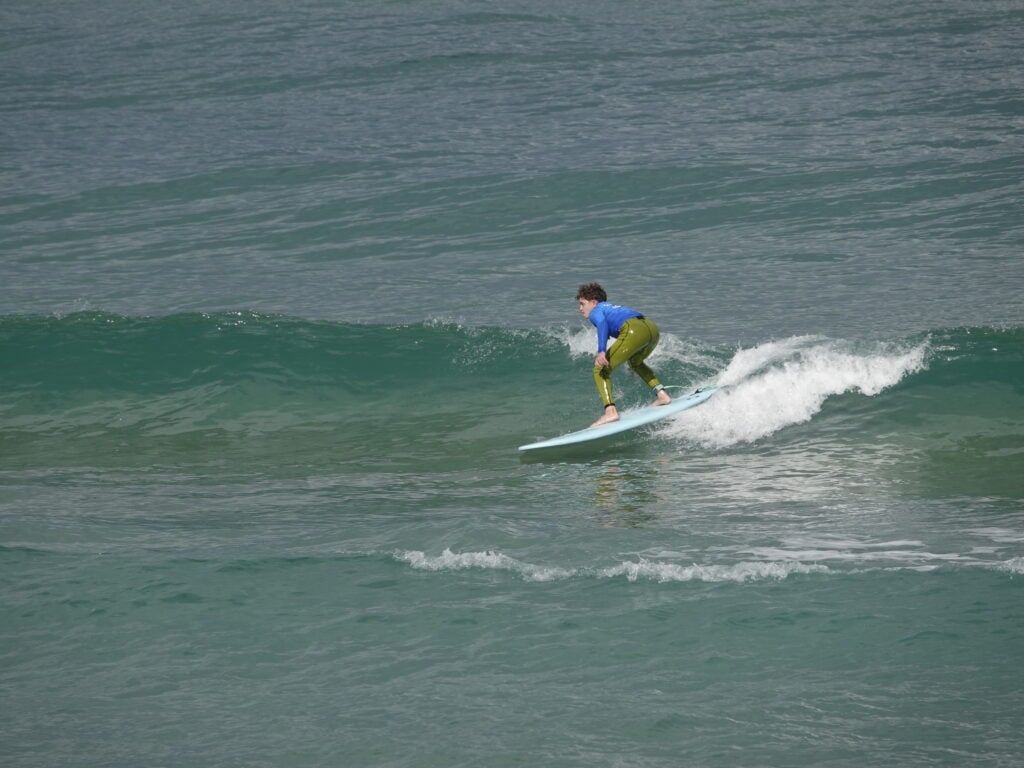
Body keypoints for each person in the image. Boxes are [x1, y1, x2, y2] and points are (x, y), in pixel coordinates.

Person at [576, 282, 671, 427]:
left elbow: (601, 324)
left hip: (633, 329)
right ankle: (662, 395)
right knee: (635, 363)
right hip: (651, 328)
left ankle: (610, 412)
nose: (580, 309)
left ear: (594, 302)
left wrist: (601, 351)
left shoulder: (596, 310)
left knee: (600, 370)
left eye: (582, 304)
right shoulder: (611, 308)